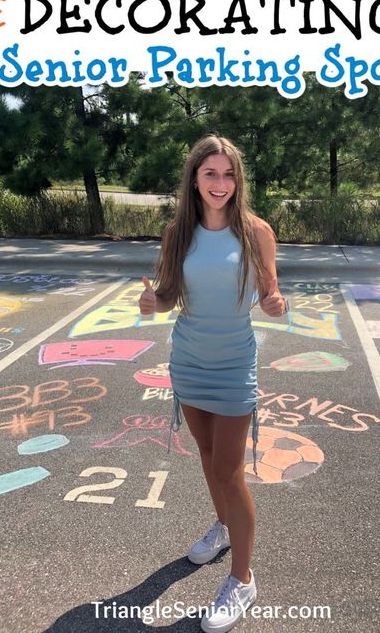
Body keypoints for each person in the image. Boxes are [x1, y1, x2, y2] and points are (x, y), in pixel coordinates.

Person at [139, 135, 288, 633]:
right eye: (210, 174)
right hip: (188, 361)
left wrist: (275, 306)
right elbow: (166, 297)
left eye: (227, 175)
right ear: (195, 179)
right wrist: (151, 305)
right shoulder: (177, 233)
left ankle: (242, 579)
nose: (219, 184)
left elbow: (274, 295)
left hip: (233, 365)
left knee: (229, 471)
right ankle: (222, 528)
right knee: (206, 457)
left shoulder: (256, 232)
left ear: (237, 179)